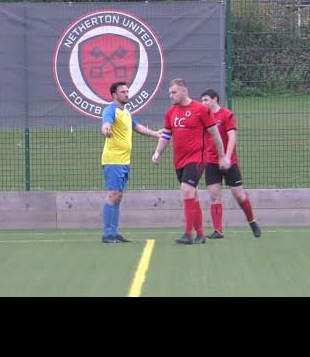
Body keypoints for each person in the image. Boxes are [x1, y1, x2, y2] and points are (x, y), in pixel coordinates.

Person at [151, 79, 229, 245]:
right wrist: (158, 152)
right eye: (170, 93)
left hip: (197, 158)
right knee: (192, 195)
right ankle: (200, 235)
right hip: (179, 160)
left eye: (174, 92)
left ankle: (188, 234)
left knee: (186, 190)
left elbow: (215, 135)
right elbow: (166, 135)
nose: (170, 96)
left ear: (184, 91)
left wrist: (222, 156)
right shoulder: (171, 112)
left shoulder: (200, 110)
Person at [100, 81, 161, 243]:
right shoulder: (111, 110)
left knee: (118, 197)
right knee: (112, 195)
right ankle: (107, 234)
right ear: (114, 95)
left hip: (124, 161)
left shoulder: (126, 112)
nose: (127, 94)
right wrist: (106, 130)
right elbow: (106, 123)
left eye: (127, 91)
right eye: (123, 92)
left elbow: (137, 127)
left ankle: (114, 232)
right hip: (113, 160)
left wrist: (156, 134)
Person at [199, 89, 261, 239]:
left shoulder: (226, 115)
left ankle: (252, 221)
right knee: (214, 196)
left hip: (229, 162)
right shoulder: (203, 117)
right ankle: (218, 231)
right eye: (202, 100)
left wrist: (226, 157)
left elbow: (232, 137)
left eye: (206, 99)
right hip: (211, 162)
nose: (203, 103)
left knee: (239, 196)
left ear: (215, 99)